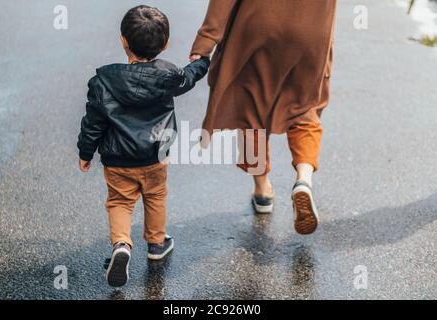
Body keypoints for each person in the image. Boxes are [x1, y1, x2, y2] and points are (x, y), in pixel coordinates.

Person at [77, 5, 209, 287]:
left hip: (117, 160)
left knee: (120, 202)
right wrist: (202, 61)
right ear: (166, 44)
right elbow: (190, 76)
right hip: (154, 156)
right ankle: (156, 244)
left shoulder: (103, 82)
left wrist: (85, 152)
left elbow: (93, 122)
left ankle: (122, 245)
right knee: (155, 196)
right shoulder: (169, 76)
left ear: (123, 39)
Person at [190, 0, 337, 235]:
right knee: (303, 108)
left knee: (251, 110)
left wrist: (206, 39)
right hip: (312, 32)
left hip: (258, 26)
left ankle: (262, 190)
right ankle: (304, 179)